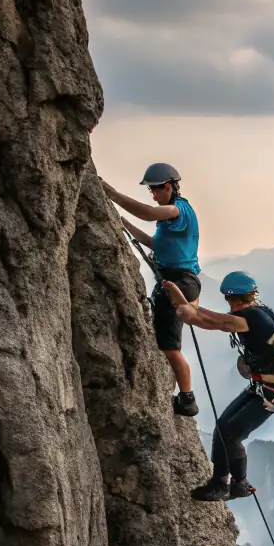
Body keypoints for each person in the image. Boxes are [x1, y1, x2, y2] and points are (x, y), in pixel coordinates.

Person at [161, 271, 274, 502]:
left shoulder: (247, 319)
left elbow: (205, 320)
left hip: (272, 393)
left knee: (232, 434)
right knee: (223, 427)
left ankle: (238, 484)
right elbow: (203, 316)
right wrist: (178, 295)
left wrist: (178, 298)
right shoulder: (258, 312)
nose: (228, 303)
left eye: (228, 298)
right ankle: (220, 482)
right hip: (264, 388)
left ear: (234, 297)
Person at [103, 163, 202, 417]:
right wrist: (121, 222)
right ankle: (183, 394)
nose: (153, 196)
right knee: (163, 341)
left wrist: (112, 194)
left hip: (181, 282)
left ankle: (187, 398)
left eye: (155, 190)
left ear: (168, 187)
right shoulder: (168, 222)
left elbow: (147, 213)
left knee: (170, 346)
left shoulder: (180, 210)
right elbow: (154, 244)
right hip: (176, 281)